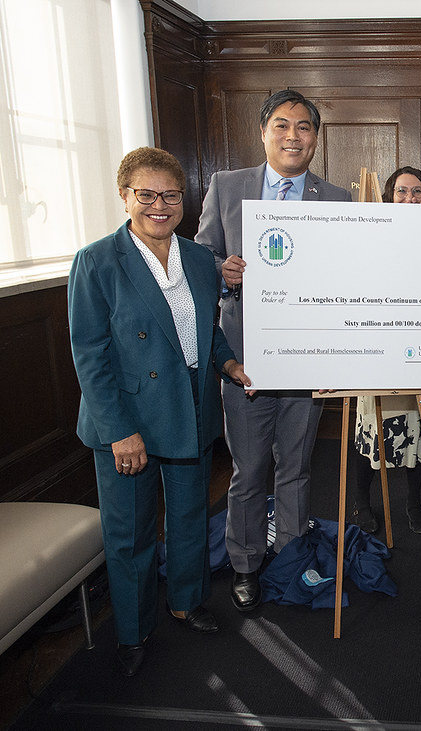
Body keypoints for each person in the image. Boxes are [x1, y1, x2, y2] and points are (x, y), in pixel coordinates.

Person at [69, 147, 252, 676]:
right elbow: (90, 355)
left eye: (170, 195)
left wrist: (230, 364)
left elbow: (204, 332)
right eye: (146, 194)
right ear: (124, 196)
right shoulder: (97, 262)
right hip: (126, 422)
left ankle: (187, 602)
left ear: (183, 199)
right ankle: (132, 632)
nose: (159, 205)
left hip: (190, 409)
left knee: (192, 515)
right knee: (130, 533)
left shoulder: (198, 258)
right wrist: (119, 431)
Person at [196, 89, 352, 613]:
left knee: (298, 467)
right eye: (281, 125)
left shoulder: (336, 200)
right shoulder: (226, 186)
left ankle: (288, 555)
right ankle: (245, 563)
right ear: (263, 133)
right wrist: (222, 270)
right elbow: (200, 257)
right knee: (249, 470)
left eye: (304, 127)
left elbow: (345, 283)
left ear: (315, 138)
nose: (293, 136)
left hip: (306, 363)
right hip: (245, 362)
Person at [350, 166, 421, 535]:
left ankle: (413, 500)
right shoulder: (368, 237)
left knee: (420, 431)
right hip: (378, 350)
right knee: (371, 430)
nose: (410, 199)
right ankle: (361, 502)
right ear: (388, 196)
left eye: (417, 192)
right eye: (401, 192)